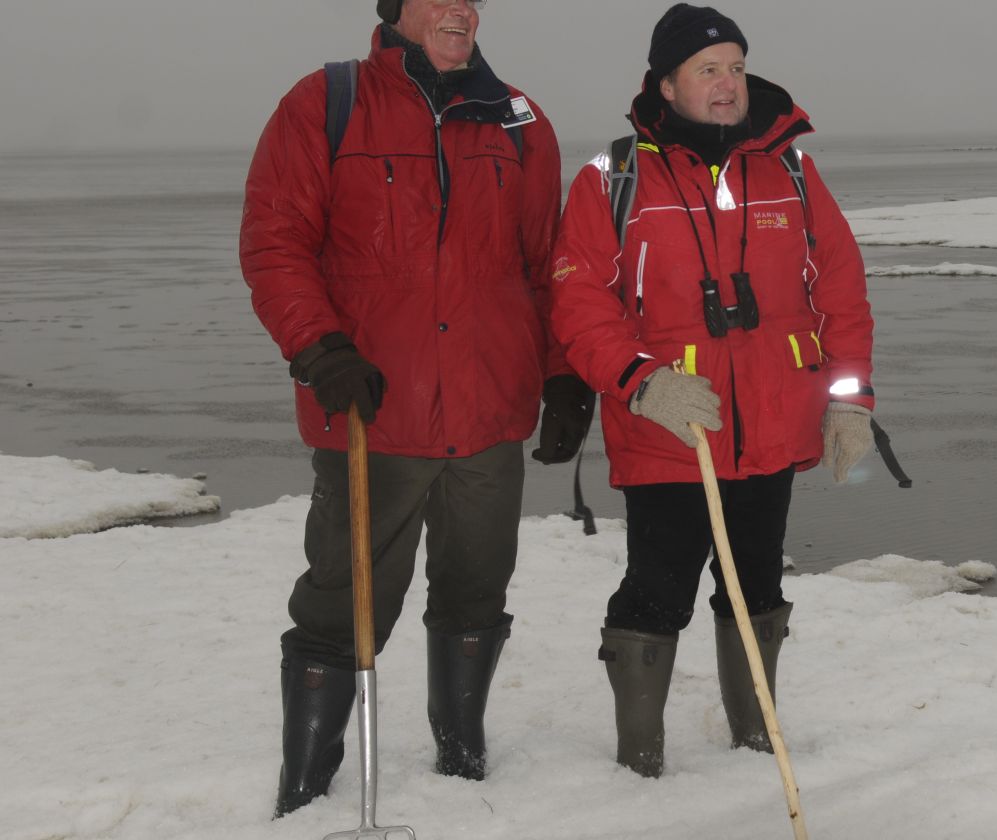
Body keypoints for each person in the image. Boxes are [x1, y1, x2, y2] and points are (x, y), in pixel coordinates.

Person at [239, 0, 587, 817]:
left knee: (476, 588)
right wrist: (319, 346)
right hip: (372, 412)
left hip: (489, 411)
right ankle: (308, 784)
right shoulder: (324, 104)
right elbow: (274, 240)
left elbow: (549, 264)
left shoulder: (520, 120)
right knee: (343, 598)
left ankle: (461, 754)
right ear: (395, 10)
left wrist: (564, 373)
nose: (461, 9)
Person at [548, 3, 876, 778]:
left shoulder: (790, 168)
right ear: (666, 84)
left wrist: (850, 399)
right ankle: (639, 761)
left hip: (771, 424)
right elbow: (576, 301)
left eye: (734, 66)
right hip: (670, 429)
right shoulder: (612, 178)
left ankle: (756, 740)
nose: (727, 84)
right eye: (707, 69)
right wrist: (640, 381)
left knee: (756, 581)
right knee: (657, 589)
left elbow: (842, 291)